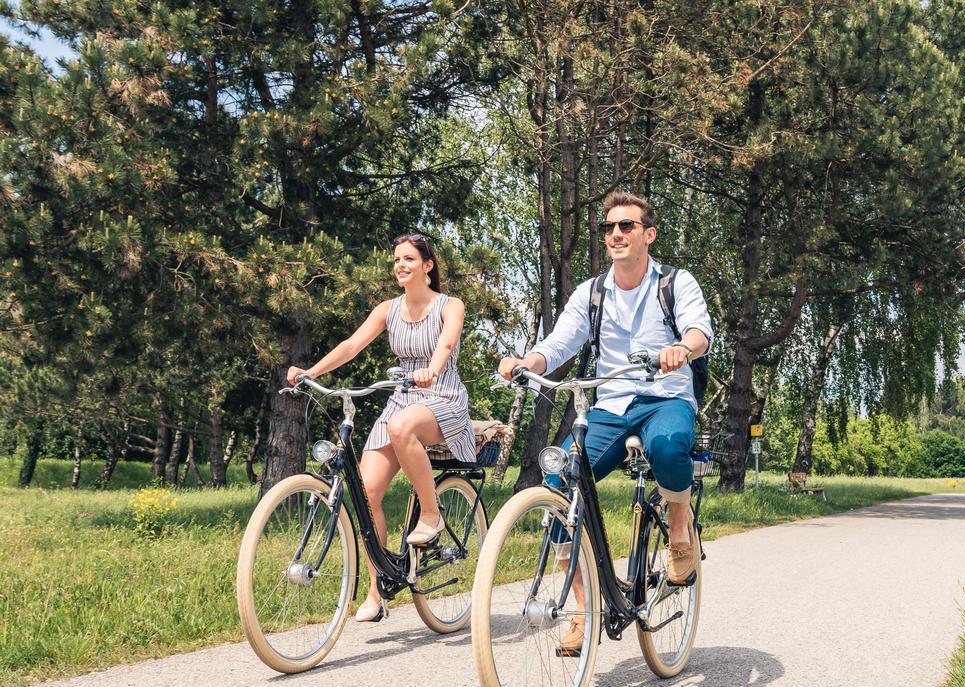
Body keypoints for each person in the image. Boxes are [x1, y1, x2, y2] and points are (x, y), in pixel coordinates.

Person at [498, 191, 713, 654]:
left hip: (665, 397)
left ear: (648, 234)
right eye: (609, 227)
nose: (615, 234)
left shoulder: (676, 283)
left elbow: (699, 331)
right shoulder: (591, 292)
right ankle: (580, 610)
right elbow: (559, 344)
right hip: (611, 404)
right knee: (560, 483)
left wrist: (683, 349)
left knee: (670, 446)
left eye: (627, 226)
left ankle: (679, 526)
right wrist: (528, 361)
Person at [288, 234, 476, 623]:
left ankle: (431, 513)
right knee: (367, 494)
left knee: (401, 426)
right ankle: (378, 590)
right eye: (396, 260)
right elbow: (351, 345)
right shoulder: (387, 309)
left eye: (409, 258)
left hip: (442, 396)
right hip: (401, 401)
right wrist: (311, 372)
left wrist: (432, 369)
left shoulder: (449, 305)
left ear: (428, 266)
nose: (400, 265)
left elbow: (445, 344)